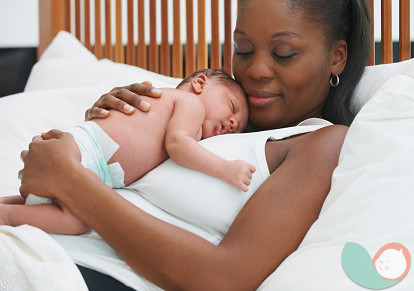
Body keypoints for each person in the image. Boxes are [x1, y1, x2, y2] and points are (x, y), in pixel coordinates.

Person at [16, 0, 371, 289]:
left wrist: (72, 181)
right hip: (32, 245)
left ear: (337, 57)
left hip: (85, 274)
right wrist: (104, 132)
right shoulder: (209, 118)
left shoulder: (322, 144)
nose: (256, 70)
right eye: (243, 50)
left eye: (284, 54)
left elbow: (223, 278)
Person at [0, 69, 253, 234]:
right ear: (200, 83)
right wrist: (225, 168)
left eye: (238, 129)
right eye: (232, 107)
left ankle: (9, 206)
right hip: (85, 154)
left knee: (39, 203)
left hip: (86, 160)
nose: (233, 123)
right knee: (78, 221)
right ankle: (8, 217)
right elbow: (178, 144)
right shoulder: (189, 104)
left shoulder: (186, 119)